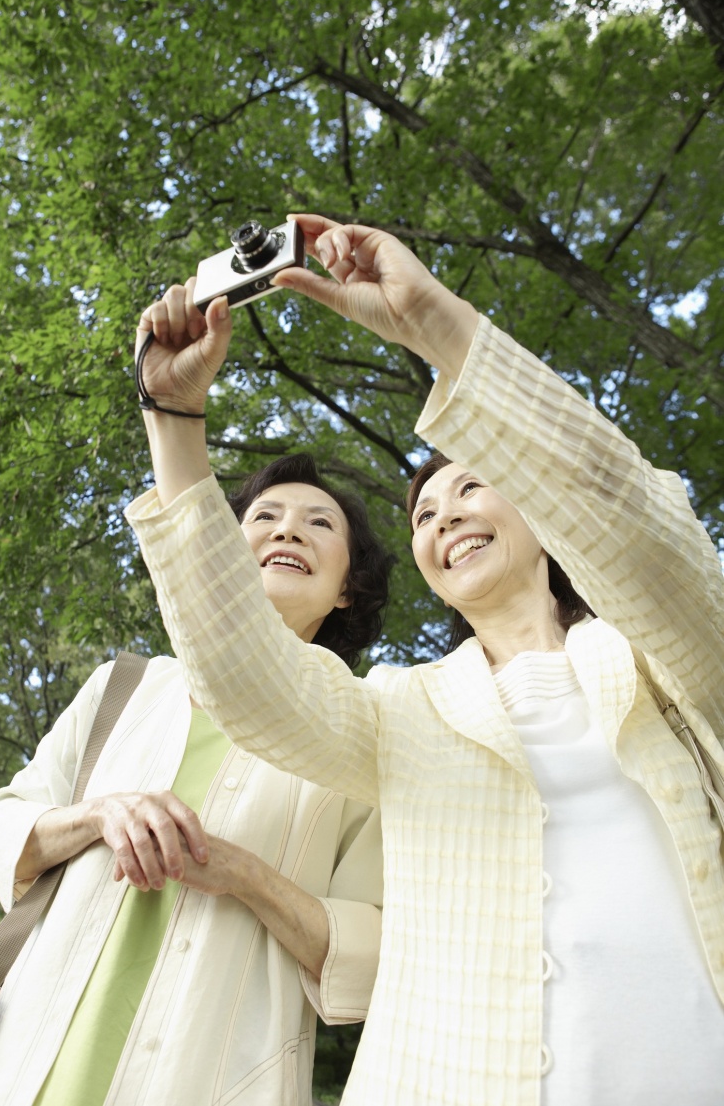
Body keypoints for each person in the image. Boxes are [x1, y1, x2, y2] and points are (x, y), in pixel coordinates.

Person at [125, 214, 724, 1106]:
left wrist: (435, 325)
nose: (444, 515)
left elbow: (633, 525)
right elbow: (246, 677)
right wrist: (174, 424)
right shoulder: (401, 708)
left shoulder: (660, 657)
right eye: (423, 514)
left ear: (542, 519)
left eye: (472, 484)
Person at [0, 451, 388, 1106]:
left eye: (319, 523)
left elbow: (368, 952)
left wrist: (245, 874)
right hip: (19, 1067)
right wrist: (98, 813)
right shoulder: (122, 686)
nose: (287, 529)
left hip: (215, 1077)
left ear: (347, 588)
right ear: (223, 553)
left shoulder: (367, 738)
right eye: (263, 516)